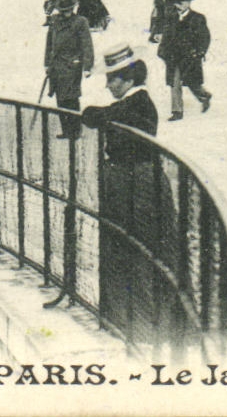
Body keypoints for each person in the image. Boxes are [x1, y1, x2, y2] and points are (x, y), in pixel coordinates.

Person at [80, 53, 181, 346]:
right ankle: (134, 322)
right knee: (133, 247)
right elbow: (95, 114)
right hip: (132, 182)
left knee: (140, 249)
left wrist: (103, 114)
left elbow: (101, 117)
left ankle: (145, 326)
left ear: (129, 79)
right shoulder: (129, 103)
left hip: (140, 184)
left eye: (114, 79)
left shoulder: (138, 103)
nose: (109, 84)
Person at [45, 0, 94, 138]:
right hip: (56, 65)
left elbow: (87, 45)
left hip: (72, 64)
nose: (66, 13)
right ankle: (66, 130)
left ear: (73, 8)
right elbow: (49, 44)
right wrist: (47, 63)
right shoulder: (54, 21)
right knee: (60, 98)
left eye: (68, 10)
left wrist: (87, 66)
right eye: (63, 11)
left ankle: (75, 129)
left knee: (71, 97)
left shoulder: (80, 22)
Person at [157, 0, 212, 119]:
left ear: (189, 3)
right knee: (175, 83)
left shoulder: (198, 18)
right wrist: (162, 50)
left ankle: (203, 96)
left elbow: (205, 37)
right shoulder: (171, 18)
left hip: (190, 57)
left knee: (192, 82)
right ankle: (177, 111)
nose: (180, 5)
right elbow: (166, 35)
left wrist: (200, 51)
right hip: (173, 56)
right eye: (178, 3)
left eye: (184, 2)